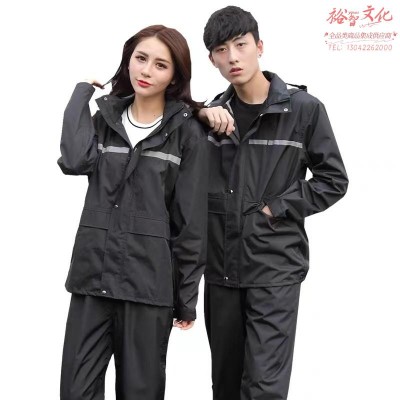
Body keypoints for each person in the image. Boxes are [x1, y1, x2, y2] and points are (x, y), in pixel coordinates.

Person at [198, 6, 349, 400]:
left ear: (259, 46)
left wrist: (276, 207)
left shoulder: (303, 109)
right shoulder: (211, 117)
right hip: (220, 271)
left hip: (275, 270)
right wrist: (198, 111)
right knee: (226, 386)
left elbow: (333, 180)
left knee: (264, 388)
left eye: (241, 45)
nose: (232, 57)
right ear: (212, 59)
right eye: (221, 50)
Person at [58, 25, 208, 400]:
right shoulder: (104, 121)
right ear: (128, 61)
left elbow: (190, 222)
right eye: (141, 59)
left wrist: (186, 297)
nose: (146, 71)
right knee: (75, 391)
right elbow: (74, 161)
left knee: (140, 392)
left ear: (175, 76)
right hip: (92, 279)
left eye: (160, 65)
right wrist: (81, 95)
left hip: (148, 287)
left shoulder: (187, 133)